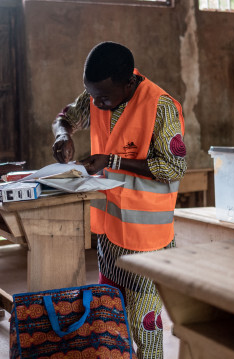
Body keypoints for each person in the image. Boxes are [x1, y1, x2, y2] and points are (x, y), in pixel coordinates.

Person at [51, 41, 186, 359]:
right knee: (110, 319)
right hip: (110, 233)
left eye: (104, 98)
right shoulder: (99, 92)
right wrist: (62, 135)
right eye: (92, 95)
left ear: (128, 84)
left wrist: (112, 161)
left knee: (146, 327)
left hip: (146, 241)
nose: (96, 103)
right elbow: (67, 117)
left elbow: (173, 167)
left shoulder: (161, 106)